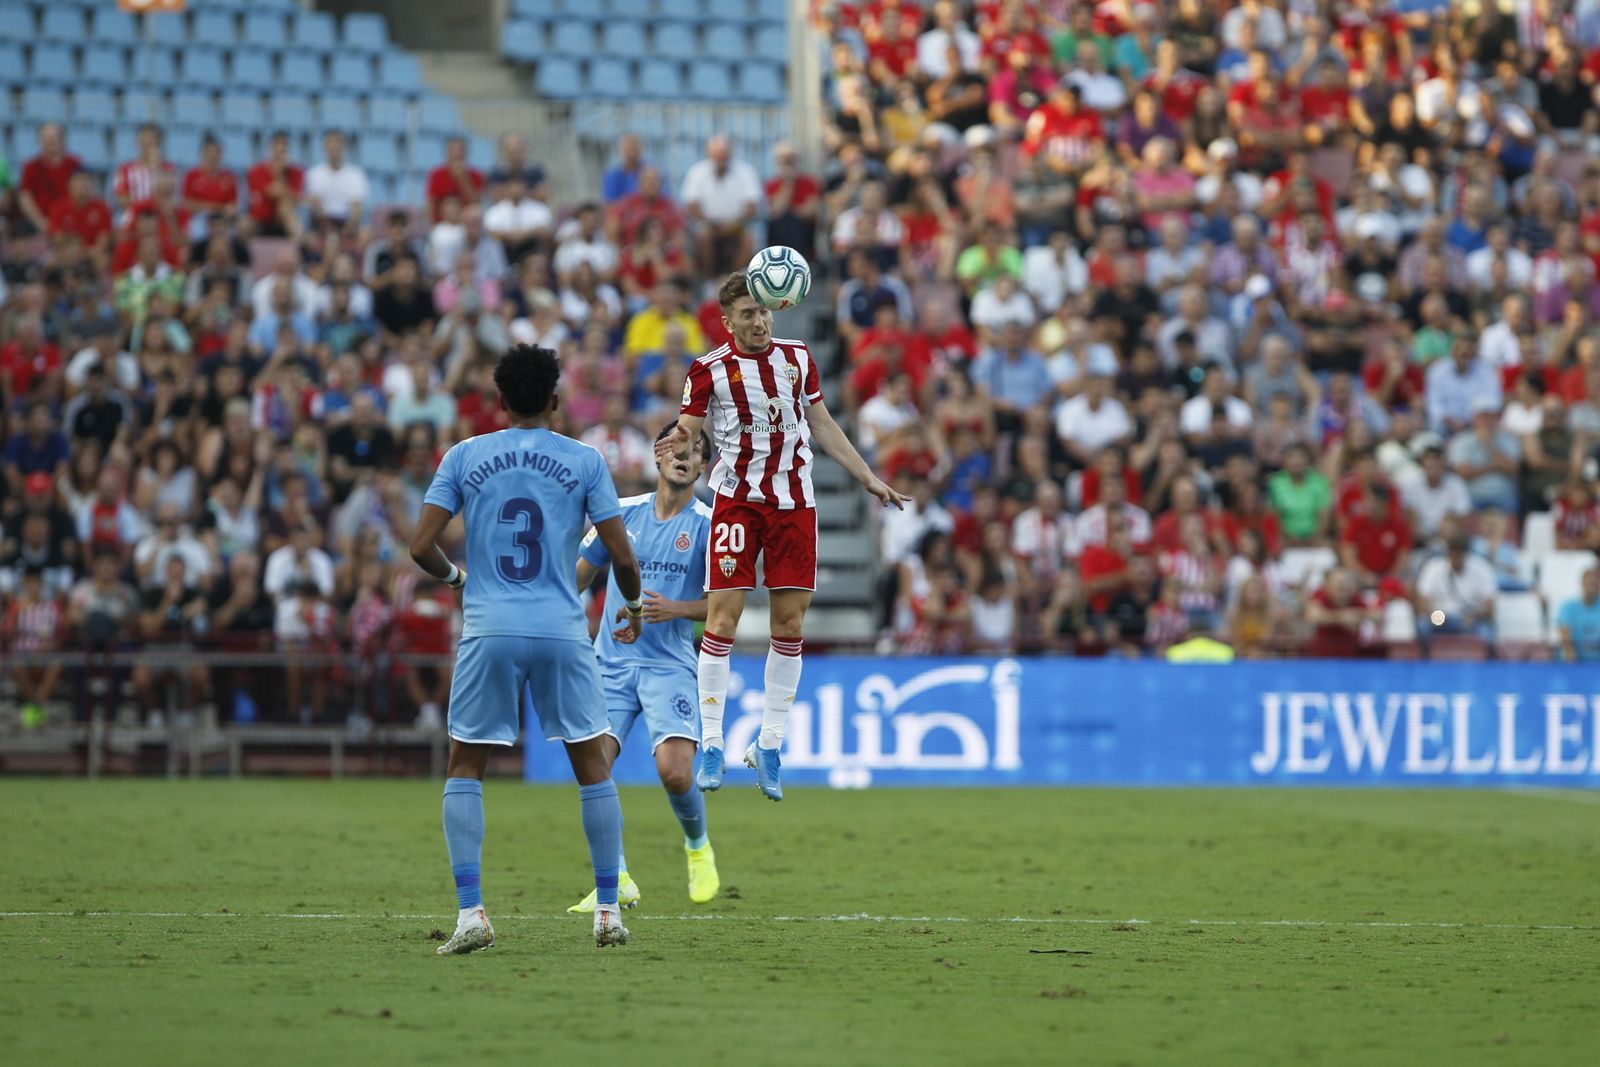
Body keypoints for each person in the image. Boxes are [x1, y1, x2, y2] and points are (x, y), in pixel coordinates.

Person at [410, 343, 643, 953]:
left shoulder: (465, 455)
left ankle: (470, 916)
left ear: (501, 401)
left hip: (490, 627)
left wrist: (459, 580)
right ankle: (609, 912)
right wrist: (636, 606)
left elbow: (419, 547)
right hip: (563, 629)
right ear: (556, 401)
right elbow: (620, 555)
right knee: (592, 765)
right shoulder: (586, 459)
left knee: (466, 766)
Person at [655, 273, 910, 799]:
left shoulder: (796, 358)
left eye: (764, 310)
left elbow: (823, 424)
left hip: (796, 505)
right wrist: (672, 445)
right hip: (737, 504)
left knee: (789, 621)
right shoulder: (708, 371)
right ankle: (711, 742)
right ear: (728, 322)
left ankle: (769, 744)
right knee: (722, 615)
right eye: (747, 313)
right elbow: (686, 427)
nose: (759, 320)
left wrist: (867, 477)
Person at [567, 423, 720, 914]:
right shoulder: (621, 515)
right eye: (678, 446)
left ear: (703, 467)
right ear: (658, 455)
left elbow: (725, 605)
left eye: (696, 451)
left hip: (668, 666)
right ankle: (618, 879)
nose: (685, 455)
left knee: (675, 774)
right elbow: (577, 576)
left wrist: (674, 609)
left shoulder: (710, 526)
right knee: (593, 770)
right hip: (609, 666)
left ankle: (697, 847)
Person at [1556, 566, 1600, 662]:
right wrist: (1574, 668)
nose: (1591, 587)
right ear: (1582, 583)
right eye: (1589, 583)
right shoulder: (1568, 607)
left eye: (1594, 584)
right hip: (1574, 665)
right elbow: (1566, 642)